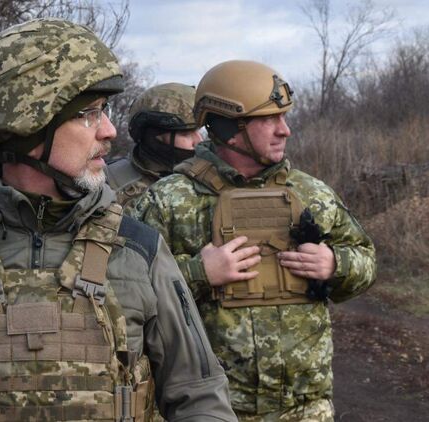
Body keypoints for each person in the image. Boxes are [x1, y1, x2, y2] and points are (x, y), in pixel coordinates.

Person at [0, 18, 235, 422]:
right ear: (28, 125)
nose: (108, 131)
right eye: (89, 114)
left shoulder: (139, 249)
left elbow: (201, 400)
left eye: (104, 111)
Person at [130, 60, 376, 421]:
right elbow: (126, 293)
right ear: (230, 129)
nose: (285, 130)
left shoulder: (313, 193)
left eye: (284, 117)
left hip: (306, 410)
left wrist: (335, 264)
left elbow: (366, 259)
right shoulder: (168, 201)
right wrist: (197, 273)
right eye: (270, 119)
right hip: (212, 410)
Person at [105, 83, 203, 209]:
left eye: (198, 131)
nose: (199, 141)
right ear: (153, 136)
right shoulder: (109, 182)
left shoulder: (207, 180)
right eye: (185, 134)